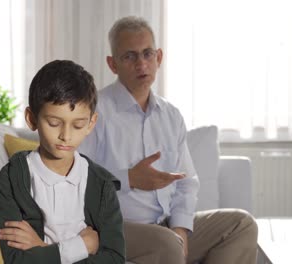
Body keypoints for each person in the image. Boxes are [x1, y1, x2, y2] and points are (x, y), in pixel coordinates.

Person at [79, 16, 258, 264]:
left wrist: (181, 228)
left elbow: (186, 182)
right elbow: (76, 179)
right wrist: (129, 178)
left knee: (241, 224)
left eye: (147, 54)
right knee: (166, 244)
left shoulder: (171, 115)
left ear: (159, 58)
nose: (141, 63)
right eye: (129, 56)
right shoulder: (93, 111)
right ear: (113, 64)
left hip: (166, 228)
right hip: (115, 228)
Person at [0, 60, 125, 264]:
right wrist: (82, 246)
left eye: (78, 125)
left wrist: (42, 249)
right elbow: (14, 260)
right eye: (54, 123)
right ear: (31, 118)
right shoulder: (12, 177)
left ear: (91, 123)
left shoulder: (102, 184)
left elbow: (115, 258)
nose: (66, 136)